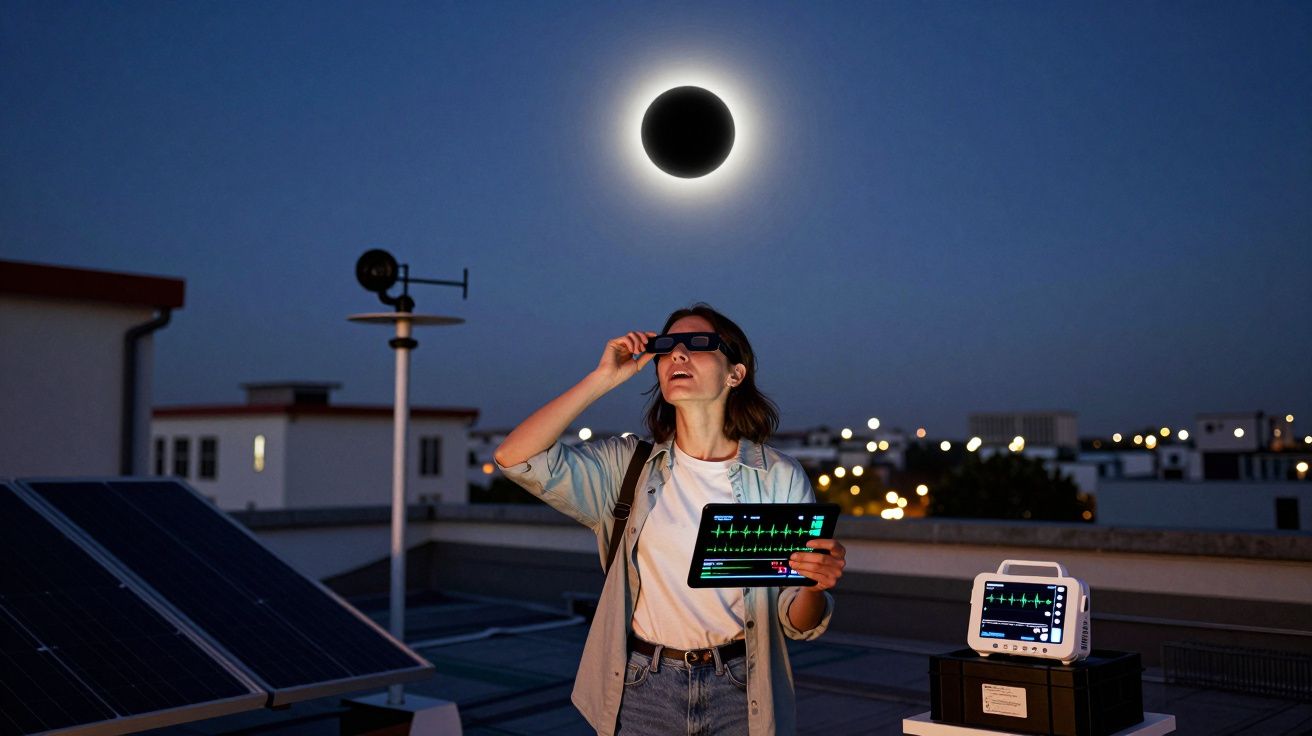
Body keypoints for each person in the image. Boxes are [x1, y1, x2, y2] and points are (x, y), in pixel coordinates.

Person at [494, 303, 846, 736]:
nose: (677, 355)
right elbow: (514, 457)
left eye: (698, 344)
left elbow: (796, 620)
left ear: (735, 374)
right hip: (643, 686)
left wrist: (813, 582)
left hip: (741, 688)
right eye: (666, 348)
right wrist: (602, 379)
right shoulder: (627, 467)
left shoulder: (779, 477)